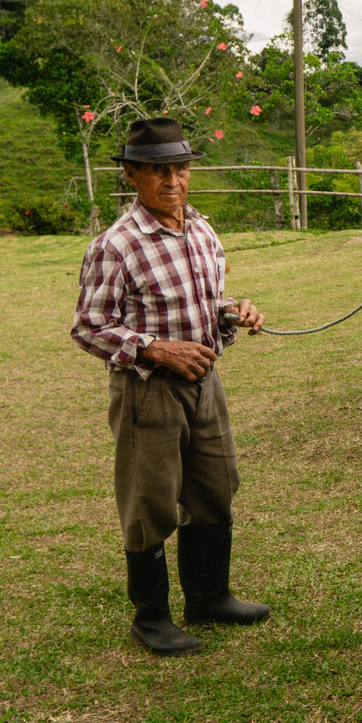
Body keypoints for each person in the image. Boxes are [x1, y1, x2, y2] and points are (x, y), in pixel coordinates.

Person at [71, 117, 270, 656]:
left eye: (180, 169)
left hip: (205, 382)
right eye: (158, 171)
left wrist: (235, 311)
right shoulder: (116, 245)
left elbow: (209, 303)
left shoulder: (202, 231)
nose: (173, 182)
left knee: (215, 487)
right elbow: (88, 327)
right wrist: (156, 349)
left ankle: (208, 596)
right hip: (148, 390)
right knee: (151, 501)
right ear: (133, 175)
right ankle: (151, 617)